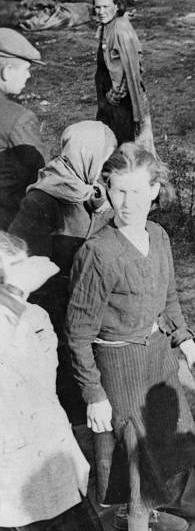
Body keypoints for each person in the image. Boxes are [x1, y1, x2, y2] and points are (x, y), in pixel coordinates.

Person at [65, 143, 195, 531]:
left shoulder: (160, 237)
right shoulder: (99, 253)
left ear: (155, 190)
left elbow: (168, 301)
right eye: (118, 192)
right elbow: (77, 332)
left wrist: (190, 348)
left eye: (137, 191)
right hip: (119, 363)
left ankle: (138, 511)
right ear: (106, 191)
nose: (127, 203)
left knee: (162, 439)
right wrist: (93, 393)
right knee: (136, 449)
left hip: (156, 356)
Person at [0, 231, 104, 531]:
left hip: (51, 472)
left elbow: (46, 392)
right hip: (13, 492)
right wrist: (12, 291)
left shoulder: (35, 317)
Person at [9, 120, 117, 426]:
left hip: (92, 307)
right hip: (59, 312)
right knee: (68, 391)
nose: (107, 166)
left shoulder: (92, 189)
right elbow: (25, 265)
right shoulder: (43, 199)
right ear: (86, 155)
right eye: (104, 158)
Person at [0, 28, 48, 230]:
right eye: (26, 69)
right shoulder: (20, 119)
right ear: (6, 71)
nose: (28, 76)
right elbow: (44, 172)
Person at [93, 0, 155, 151]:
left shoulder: (121, 30)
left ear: (117, 5)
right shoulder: (107, 25)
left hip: (120, 99)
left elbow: (131, 70)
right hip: (106, 91)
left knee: (123, 142)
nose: (101, 11)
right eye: (97, 7)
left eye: (105, 7)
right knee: (106, 136)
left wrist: (115, 95)